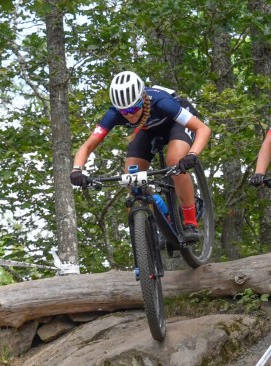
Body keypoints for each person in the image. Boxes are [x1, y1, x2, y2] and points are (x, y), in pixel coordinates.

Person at [71, 71, 211, 241]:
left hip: (177, 124)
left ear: (142, 98)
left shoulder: (162, 103)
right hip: (149, 129)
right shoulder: (114, 114)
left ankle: (190, 221)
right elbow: (87, 145)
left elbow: (203, 129)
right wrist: (77, 170)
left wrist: (192, 155)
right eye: (124, 112)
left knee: (175, 162)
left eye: (133, 108)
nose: (129, 115)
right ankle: (163, 216)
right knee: (132, 177)